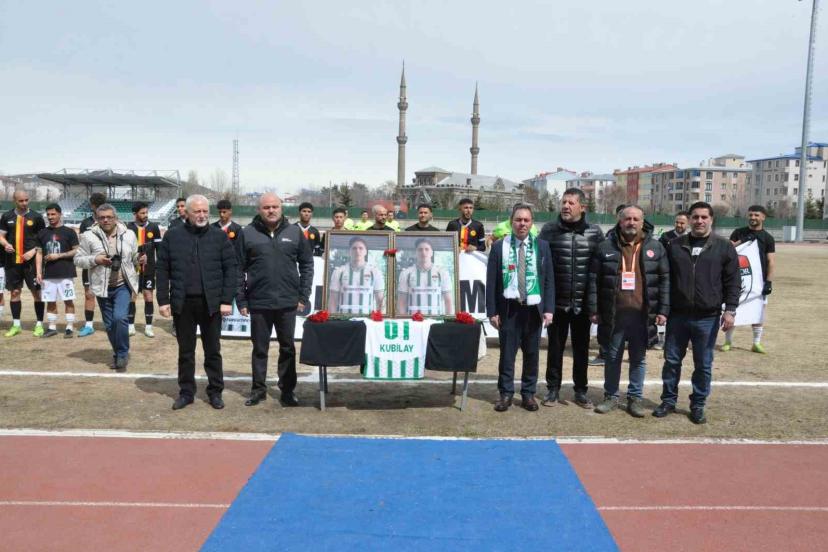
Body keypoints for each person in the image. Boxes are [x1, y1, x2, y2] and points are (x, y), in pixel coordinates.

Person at [654, 201, 740, 424]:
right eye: (695, 217)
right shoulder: (674, 245)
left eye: (704, 217)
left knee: (703, 364)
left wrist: (730, 310)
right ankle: (668, 401)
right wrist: (663, 310)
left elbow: (733, 282)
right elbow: (665, 280)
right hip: (678, 316)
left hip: (707, 317)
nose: (699, 221)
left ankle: (698, 404)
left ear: (711, 219)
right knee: (672, 361)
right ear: (689, 219)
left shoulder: (724, 247)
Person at [157, 195, 238, 410]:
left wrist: (226, 300)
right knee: (186, 352)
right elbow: (162, 269)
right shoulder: (173, 236)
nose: (202, 215)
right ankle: (186, 392)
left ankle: (215, 392)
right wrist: (163, 300)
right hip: (183, 303)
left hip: (211, 304)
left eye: (205, 212)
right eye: (197, 212)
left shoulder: (219, 237)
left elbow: (231, 269)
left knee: (213, 351)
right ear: (187, 213)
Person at [588, 205, 669, 417]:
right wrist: (594, 309)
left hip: (642, 315)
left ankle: (635, 398)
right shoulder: (605, 246)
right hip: (614, 314)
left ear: (642, 222)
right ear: (620, 221)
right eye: (627, 219)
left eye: (635, 219)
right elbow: (594, 280)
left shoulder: (656, 247)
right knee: (612, 357)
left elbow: (664, 280)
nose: (631, 222)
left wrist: (663, 310)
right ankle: (611, 396)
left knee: (638, 358)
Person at [236, 193, 313, 407]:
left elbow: (307, 264)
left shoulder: (294, 232)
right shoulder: (247, 233)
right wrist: (241, 300)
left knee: (287, 348)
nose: (271, 210)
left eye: (275, 206)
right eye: (266, 207)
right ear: (259, 210)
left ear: (281, 208)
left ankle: (287, 391)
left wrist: (303, 295)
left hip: (287, 302)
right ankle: (258, 390)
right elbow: (237, 268)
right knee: (259, 349)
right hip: (259, 302)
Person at [538, 188, 605, 407]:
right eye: (564, 202)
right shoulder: (548, 231)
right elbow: (539, 265)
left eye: (571, 203)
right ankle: (553, 389)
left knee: (581, 349)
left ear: (582, 207)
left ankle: (581, 390)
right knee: (555, 348)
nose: (566, 206)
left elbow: (601, 268)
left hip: (583, 304)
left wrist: (596, 303)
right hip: (556, 303)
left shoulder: (595, 233)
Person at [486, 203, 555, 412]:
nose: (522, 224)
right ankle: (506, 393)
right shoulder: (499, 247)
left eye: (526, 220)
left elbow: (548, 280)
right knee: (507, 355)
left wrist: (549, 309)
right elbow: (491, 282)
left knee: (532, 355)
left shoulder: (542, 246)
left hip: (534, 310)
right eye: (518, 220)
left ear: (532, 223)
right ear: (511, 222)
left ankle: (528, 394)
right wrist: (492, 311)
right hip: (509, 309)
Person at [74, 204, 141, 371]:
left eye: (109, 217)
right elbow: (78, 259)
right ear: (97, 219)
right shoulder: (88, 236)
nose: (106, 220)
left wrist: (139, 258)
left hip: (123, 285)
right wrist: (95, 260)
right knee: (110, 325)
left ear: (115, 218)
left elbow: (134, 256)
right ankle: (118, 353)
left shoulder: (129, 234)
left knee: (120, 318)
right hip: (102, 287)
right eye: (102, 217)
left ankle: (123, 353)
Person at [723, 205, 776, 354]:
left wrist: (768, 282)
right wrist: (743, 240)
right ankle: (728, 341)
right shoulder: (738, 232)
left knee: (758, 311)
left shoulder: (768, 238)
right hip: (738, 278)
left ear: (763, 217)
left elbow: (771, 261)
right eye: (751, 215)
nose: (753, 217)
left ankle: (756, 343)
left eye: (756, 215)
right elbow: (728, 250)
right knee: (732, 309)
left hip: (758, 281)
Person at [0, 190, 47, 337]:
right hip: (13, 262)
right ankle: (16, 325)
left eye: (26, 200)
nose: (24, 203)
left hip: (31, 263)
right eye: (21, 201)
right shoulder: (7, 216)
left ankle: (39, 324)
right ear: (14, 201)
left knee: (36, 293)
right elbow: (1, 236)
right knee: (14, 292)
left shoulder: (37, 217)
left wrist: (33, 251)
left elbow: (43, 239)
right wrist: (6, 244)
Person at [35, 204, 79, 338]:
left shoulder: (69, 232)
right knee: (50, 300)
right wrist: (38, 272)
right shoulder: (42, 233)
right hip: (48, 274)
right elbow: (39, 253)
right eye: (48, 214)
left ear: (60, 214)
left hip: (66, 273)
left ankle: (69, 327)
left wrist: (59, 255)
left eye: (53, 214)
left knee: (68, 300)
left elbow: (77, 250)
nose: (50, 217)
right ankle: (52, 327)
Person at [653, 211, 689, 349]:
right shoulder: (666, 237)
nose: (679, 225)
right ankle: (661, 339)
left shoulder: (690, 238)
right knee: (663, 309)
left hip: (683, 280)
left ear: (688, 223)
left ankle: (680, 340)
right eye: (677, 222)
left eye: (682, 223)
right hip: (667, 278)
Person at [126, 202, 162, 338]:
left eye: (146, 212)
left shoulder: (154, 227)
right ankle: (130, 326)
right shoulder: (128, 228)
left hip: (149, 269)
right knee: (132, 296)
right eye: (142, 213)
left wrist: (159, 267)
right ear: (134, 214)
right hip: (132, 269)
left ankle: (148, 327)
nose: (145, 215)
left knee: (148, 295)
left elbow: (159, 250)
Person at [328, 236, 385, 314]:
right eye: (354, 248)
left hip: (367, 319)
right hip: (343, 319)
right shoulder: (339, 272)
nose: (357, 251)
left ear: (366, 251)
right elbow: (333, 301)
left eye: (361, 248)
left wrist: (379, 319)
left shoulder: (375, 272)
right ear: (349, 251)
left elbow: (380, 301)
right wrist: (332, 319)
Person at [397, 238, 453, 316]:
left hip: (436, 321)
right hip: (413, 320)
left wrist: (448, 321)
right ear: (415, 253)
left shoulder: (442, 273)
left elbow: (448, 301)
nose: (423, 252)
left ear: (432, 252)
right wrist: (404, 320)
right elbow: (401, 302)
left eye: (427, 249)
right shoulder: (406, 273)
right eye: (420, 249)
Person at [77, 192, 107, 337]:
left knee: (107, 294)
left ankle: (109, 322)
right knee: (89, 294)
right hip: (90, 264)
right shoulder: (86, 223)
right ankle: (89, 325)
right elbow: (82, 245)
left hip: (107, 264)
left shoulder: (110, 221)